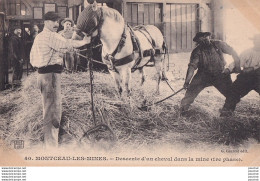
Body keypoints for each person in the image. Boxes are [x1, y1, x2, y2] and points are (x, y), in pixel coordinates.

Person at [30, 12, 91, 148]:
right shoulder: (50, 36)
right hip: (51, 76)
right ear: (46, 22)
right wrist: (84, 42)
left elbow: (32, 58)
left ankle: (51, 140)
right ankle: (52, 147)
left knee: (48, 108)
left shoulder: (39, 36)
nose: (57, 25)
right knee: (53, 111)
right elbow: (67, 44)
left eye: (58, 22)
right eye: (53, 21)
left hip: (42, 75)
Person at [180, 32, 240, 115]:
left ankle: (227, 111)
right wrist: (187, 82)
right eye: (201, 40)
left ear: (209, 37)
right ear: (198, 41)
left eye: (206, 38)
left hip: (220, 74)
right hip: (203, 76)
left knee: (232, 95)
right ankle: (183, 111)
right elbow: (192, 67)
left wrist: (237, 65)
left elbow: (232, 51)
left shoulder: (218, 44)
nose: (204, 40)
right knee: (190, 94)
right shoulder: (197, 51)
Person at [220, 34, 260, 117]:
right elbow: (237, 62)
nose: (257, 43)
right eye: (256, 41)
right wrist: (229, 70)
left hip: (258, 78)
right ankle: (226, 114)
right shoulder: (247, 52)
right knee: (233, 93)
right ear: (253, 42)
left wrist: (253, 68)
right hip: (246, 78)